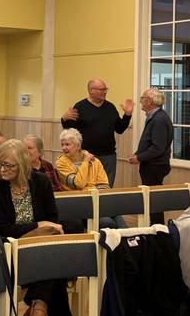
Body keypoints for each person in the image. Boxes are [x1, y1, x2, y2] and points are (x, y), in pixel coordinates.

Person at [0, 139, 74, 316]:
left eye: (8, 165)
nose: (2, 170)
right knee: (55, 267)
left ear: (23, 163)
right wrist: (37, 226)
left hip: (42, 247)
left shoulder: (41, 182)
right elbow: (2, 229)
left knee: (52, 253)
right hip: (10, 250)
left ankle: (35, 310)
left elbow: (53, 219)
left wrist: (42, 229)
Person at [61, 78, 134, 186]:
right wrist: (64, 119)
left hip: (108, 156)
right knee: (87, 186)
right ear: (91, 90)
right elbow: (70, 131)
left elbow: (119, 129)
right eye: (101, 89)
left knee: (106, 187)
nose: (104, 92)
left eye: (105, 89)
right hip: (86, 156)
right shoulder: (80, 107)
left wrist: (127, 115)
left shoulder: (110, 107)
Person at [55, 128, 126, 229]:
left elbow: (104, 185)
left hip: (97, 201)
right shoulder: (61, 163)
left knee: (116, 214)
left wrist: (96, 199)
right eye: (62, 144)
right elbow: (77, 183)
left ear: (78, 145)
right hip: (78, 204)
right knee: (107, 223)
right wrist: (85, 162)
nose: (64, 148)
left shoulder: (95, 161)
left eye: (67, 144)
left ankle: (132, 240)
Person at [128, 88, 174, 224]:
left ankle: (157, 230)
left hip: (155, 166)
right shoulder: (156, 117)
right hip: (153, 165)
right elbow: (150, 142)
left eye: (143, 98)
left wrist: (139, 158)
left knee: (154, 203)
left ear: (149, 101)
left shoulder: (159, 119)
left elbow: (157, 148)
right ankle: (155, 229)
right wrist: (138, 154)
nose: (140, 101)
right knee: (152, 201)